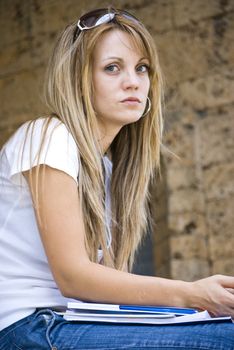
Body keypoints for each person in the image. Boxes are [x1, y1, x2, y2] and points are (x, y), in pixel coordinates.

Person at [0, 7, 233, 350]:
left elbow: (108, 292)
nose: (133, 81)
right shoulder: (48, 136)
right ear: (80, 78)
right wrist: (191, 294)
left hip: (71, 322)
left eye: (142, 68)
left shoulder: (108, 170)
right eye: (112, 68)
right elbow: (73, 277)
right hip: (28, 326)